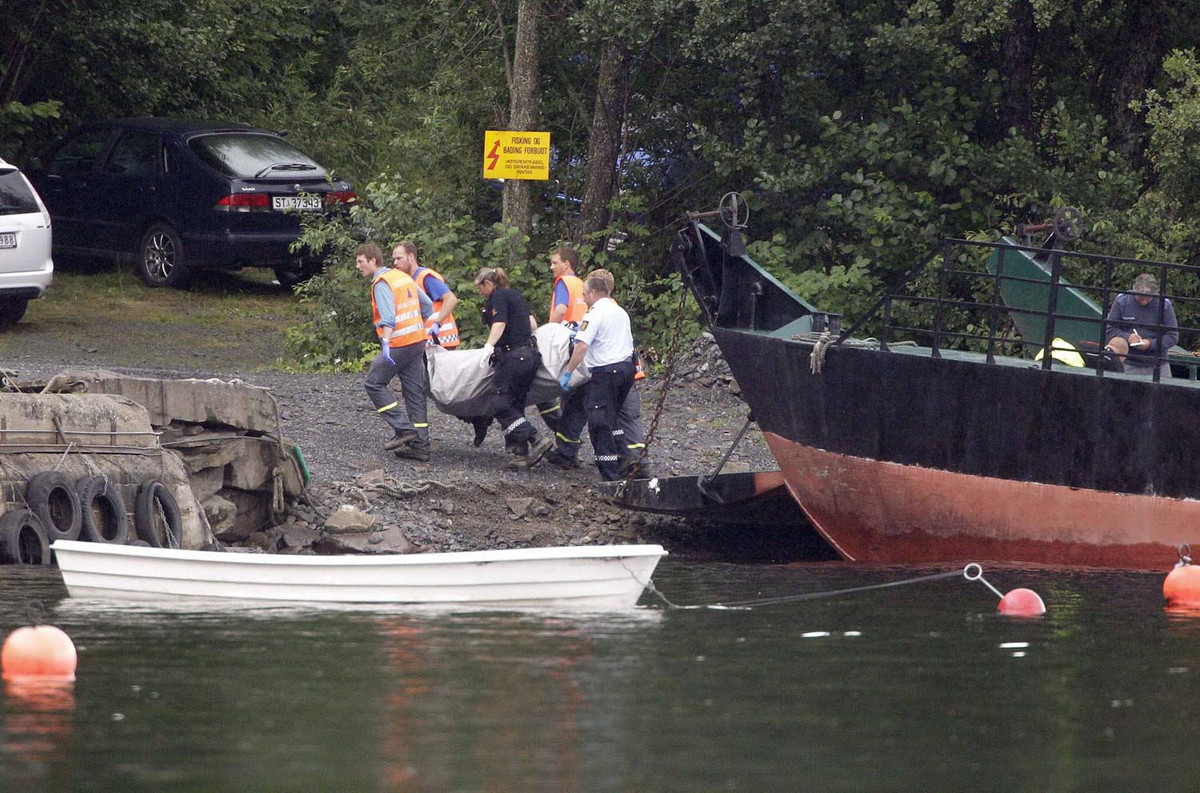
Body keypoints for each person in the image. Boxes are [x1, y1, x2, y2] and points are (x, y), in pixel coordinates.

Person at [545, 268, 649, 477]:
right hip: (626, 370)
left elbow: (582, 346)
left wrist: (568, 371)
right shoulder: (620, 312)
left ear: (593, 292)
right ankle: (626, 457)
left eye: (584, 294)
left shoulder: (594, 314)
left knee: (599, 422)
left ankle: (609, 474)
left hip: (605, 373)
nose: (583, 298)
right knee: (612, 418)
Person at [355, 242, 434, 462]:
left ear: (373, 261)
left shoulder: (381, 283)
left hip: (398, 344)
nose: (357, 266)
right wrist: (418, 327)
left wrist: (386, 343)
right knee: (415, 394)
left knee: (373, 382)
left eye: (360, 261)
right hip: (416, 342)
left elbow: (388, 317)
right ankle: (421, 446)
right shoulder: (402, 277)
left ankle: (403, 428)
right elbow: (427, 306)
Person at [475, 267, 554, 468]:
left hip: (513, 356)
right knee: (516, 403)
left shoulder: (498, 296)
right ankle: (520, 452)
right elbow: (533, 325)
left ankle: (535, 438)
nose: (479, 293)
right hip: (529, 355)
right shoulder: (516, 296)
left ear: (488, 284)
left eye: (479, 288)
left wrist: (488, 346)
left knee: (499, 403)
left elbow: (499, 323)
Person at [1104, 273, 1179, 377]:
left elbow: (1172, 336)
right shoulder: (1122, 301)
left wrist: (1150, 344)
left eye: (1148, 298)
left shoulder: (1164, 305)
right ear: (1134, 290)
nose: (1143, 301)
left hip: (1158, 364)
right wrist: (1128, 337)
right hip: (1128, 362)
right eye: (1140, 297)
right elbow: (1110, 329)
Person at [391, 241, 460, 348]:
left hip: (441, 341)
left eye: (399, 258)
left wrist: (437, 323)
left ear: (411, 257)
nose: (395, 263)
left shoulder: (425, 277)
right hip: (427, 342)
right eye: (394, 259)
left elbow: (451, 299)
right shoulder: (409, 281)